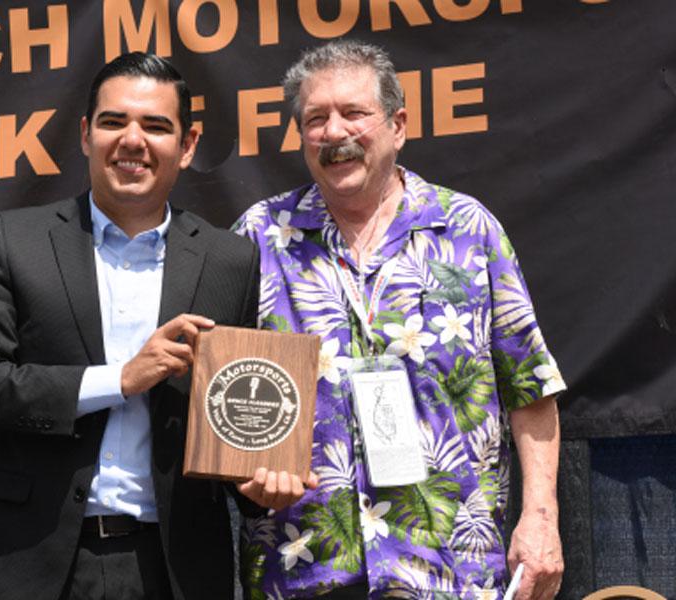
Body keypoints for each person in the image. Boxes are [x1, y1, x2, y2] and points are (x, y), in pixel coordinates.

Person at [233, 40, 567, 600]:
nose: (334, 132)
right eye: (316, 119)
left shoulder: (468, 230)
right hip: (306, 568)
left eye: (354, 113)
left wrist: (540, 518)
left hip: (448, 571)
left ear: (398, 125)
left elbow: (529, 386)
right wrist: (245, 473)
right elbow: (232, 399)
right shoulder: (260, 236)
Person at [0, 52, 266, 600]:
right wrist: (120, 379)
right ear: (86, 135)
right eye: (114, 122)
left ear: (187, 146)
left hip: (171, 567)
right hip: (22, 561)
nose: (132, 140)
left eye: (156, 126)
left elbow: (234, 416)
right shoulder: (16, 240)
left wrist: (260, 484)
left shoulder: (230, 262)